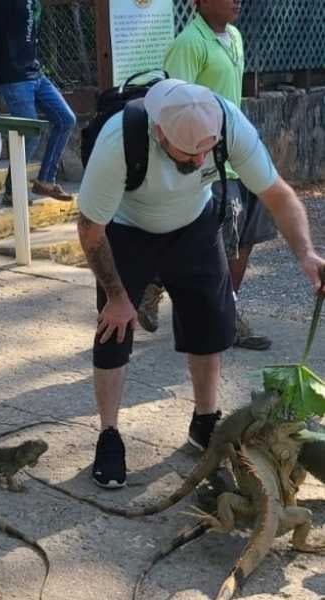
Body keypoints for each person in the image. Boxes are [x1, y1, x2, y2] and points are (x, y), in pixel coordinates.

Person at [77, 79, 325, 489]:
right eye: (187, 154)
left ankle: (205, 421)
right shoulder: (120, 138)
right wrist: (118, 297)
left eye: (205, 151)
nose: (199, 161)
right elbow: (89, 229)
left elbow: (278, 195)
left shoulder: (229, 125)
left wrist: (306, 254)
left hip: (194, 223)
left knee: (210, 325)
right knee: (113, 329)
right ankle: (109, 434)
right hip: (126, 228)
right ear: (159, 133)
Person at [137, 0, 275, 351]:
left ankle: (226, 311)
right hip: (207, 163)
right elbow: (171, 107)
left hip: (238, 154)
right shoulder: (189, 43)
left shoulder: (235, 37)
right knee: (213, 246)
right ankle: (159, 287)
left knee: (246, 238)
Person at [0, 0, 77, 204]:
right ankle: (12, 192)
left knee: (66, 120)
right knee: (30, 132)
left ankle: (45, 181)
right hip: (13, 78)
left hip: (35, 73)